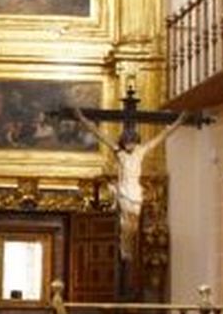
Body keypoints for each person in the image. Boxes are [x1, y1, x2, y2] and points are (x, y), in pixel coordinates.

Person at [70, 106, 184, 261]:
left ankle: (128, 247)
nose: (130, 145)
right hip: (124, 191)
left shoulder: (141, 151)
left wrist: (179, 121)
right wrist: (83, 119)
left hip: (135, 191)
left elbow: (162, 136)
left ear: (136, 142)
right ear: (123, 143)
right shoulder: (120, 153)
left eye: (132, 142)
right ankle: (124, 249)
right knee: (126, 224)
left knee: (134, 225)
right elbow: (101, 135)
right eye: (127, 142)